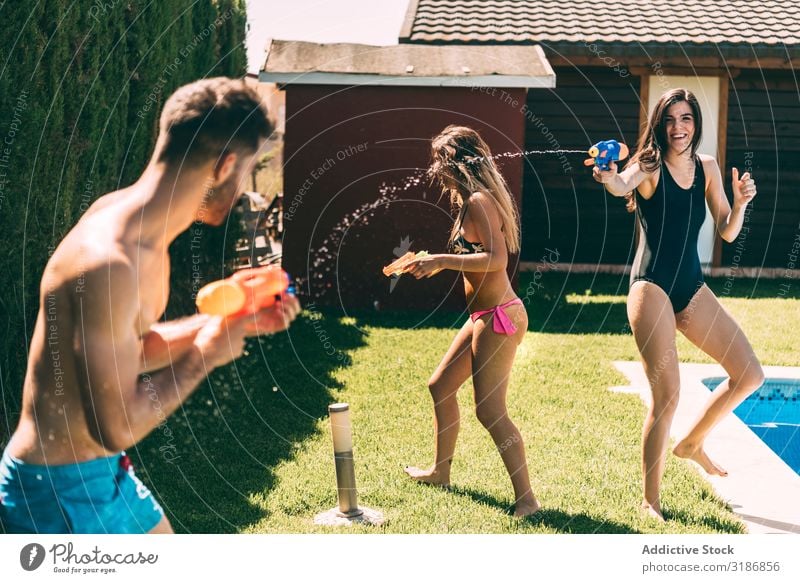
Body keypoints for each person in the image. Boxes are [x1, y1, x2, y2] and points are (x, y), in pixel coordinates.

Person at [0, 77, 301, 534]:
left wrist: (231, 317)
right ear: (224, 166)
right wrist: (205, 353)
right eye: (250, 168)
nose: (244, 188)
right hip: (57, 493)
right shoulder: (110, 262)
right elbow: (115, 426)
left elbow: (132, 350)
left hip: (98, 473)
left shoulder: (130, 228)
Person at [592, 88, 764, 521]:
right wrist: (609, 175)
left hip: (690, 286)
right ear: (660, 124)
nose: (678, 128)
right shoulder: (648, 164)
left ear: (695, 123)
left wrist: (740, 203)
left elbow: (726, 231)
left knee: (749, 374)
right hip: (651, 287)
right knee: (666, 396)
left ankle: (691, 444)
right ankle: (650, 500)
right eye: (670, 119)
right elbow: (620, 185)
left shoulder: (706, 168)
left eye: (685, 118)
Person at [403, 125, 540, 518]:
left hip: (500, 317)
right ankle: (440, 472)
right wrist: (431, 261)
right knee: (440, 386)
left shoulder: (480, 201)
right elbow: (480, 255)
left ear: (460, 162)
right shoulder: (470, 202)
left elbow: (497, 261)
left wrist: (442, 261)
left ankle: (527, 500)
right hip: (483, 315)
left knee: (490, 411)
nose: (435, 169)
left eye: (440, 160)